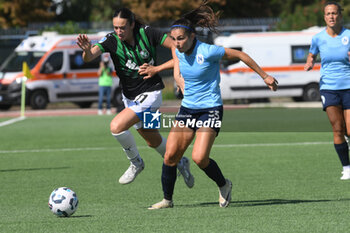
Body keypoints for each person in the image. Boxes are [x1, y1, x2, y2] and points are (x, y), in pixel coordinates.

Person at [148, 3, 278, 209]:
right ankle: (167, 200)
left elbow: (241, 55)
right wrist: (157, 69)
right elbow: (176, 62)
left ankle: (224, 184)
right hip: (188, 108)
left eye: (180, 38)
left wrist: (265, 76)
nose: (177, 43)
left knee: (199, 158)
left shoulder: (208, 51)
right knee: (171, 155)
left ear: (192, 36)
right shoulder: (179, 51)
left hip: (210, 109)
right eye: (173, 39)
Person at [77, 8, 194, 187]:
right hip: (129, 97)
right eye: (116, 27)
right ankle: (180, 161)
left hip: (152, 93)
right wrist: (86, 50)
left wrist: (162, 70)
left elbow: (175, 47)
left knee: (117, 126)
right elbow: (90, 56)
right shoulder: (111, 40)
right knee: (151, 139)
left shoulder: (147, 33)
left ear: (132, 24)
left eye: (122, 27)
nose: (118, 31)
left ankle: (136, 162)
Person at [305, 1, 350, 180]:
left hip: (348, 86)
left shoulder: (348, 35)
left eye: (334, 13)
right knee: (338, 128)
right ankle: (346, 167)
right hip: (328, 88)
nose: (332, 16)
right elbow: (312, 53)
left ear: (340, 15)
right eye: (328, 13)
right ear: (324, 17)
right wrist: (310, 62)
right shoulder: (318, 38)